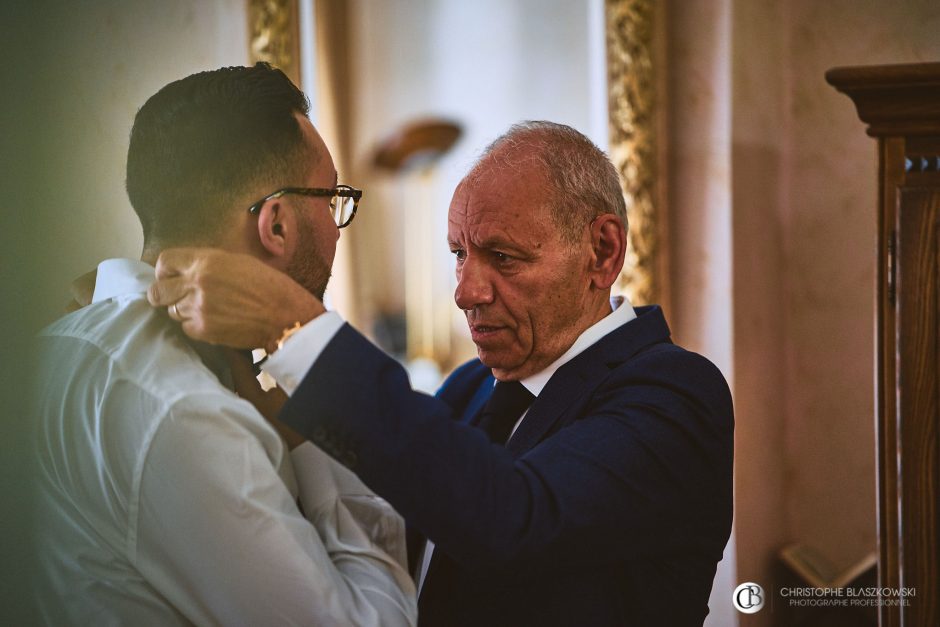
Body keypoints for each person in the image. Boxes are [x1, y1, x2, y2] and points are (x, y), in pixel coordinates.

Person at [148, 121, 734, 625]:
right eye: (459, 254)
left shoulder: (676, 395)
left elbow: (510, 518)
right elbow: (380, 526)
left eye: (502, 257)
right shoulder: (472, 386)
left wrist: (298, 328)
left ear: (602, 253)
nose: (465, 293)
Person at [33, 63, 416, 626]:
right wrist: (311, 445)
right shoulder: (186, 411)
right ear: (277, 224)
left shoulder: (58, 344)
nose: (338, 225)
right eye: (333, 198)